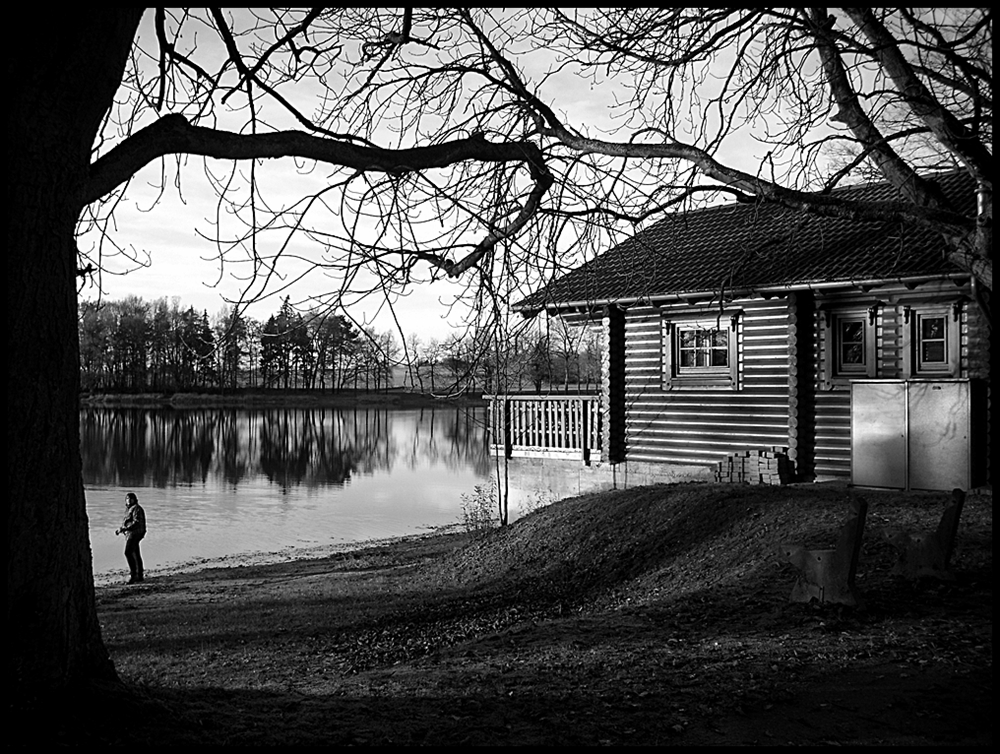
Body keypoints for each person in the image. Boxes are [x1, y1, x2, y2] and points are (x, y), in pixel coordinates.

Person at [115, 492, 146, 584]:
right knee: (136, 553)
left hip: (136, 533)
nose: (128, 500)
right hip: (131, 534)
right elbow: (128, 521)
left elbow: (136, 522)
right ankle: (139, 575)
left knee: (128, 552)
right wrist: (122, 530)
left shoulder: (136, 508)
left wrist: (124, 528)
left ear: (134, 499)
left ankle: (133, 575)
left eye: (130, 499)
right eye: (127, 499)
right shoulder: (129, 509)